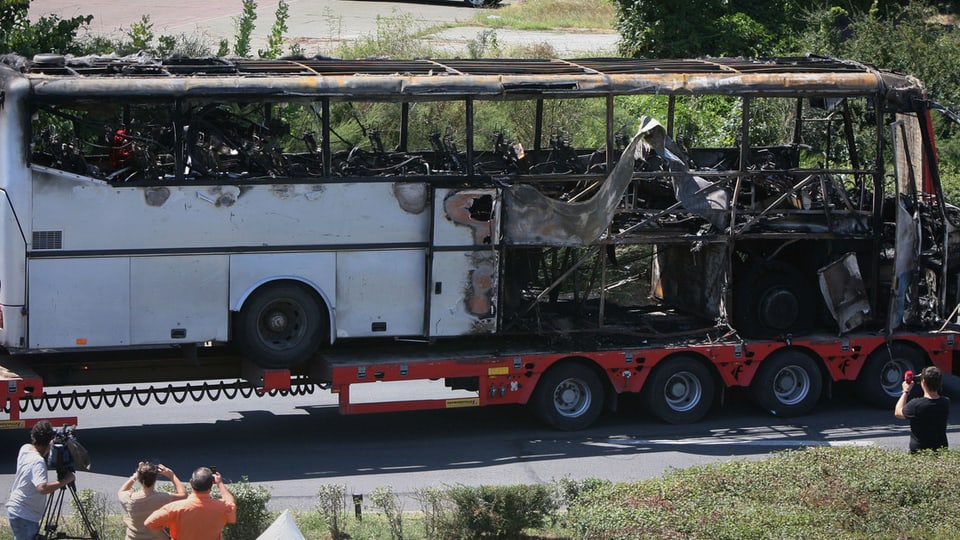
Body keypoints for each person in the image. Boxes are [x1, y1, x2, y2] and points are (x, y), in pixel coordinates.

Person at [4, 421, 76, 540]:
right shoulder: (37, 461)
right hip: (25, 515)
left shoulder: (25, 448)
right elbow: (42, 488)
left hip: (17, 511)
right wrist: (65, 480)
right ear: (49, 442)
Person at [144, 467, 236, 540]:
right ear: (212, 484)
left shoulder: (175, 508)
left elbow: (149, 523)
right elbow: (230, 503)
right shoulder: (222, 507)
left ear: (191, 482)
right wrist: (220, 484)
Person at [118, 462, 188, 539]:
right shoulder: (162, 498)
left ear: (140, 478)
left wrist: (134, 476)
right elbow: (183, 495)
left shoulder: (129, 499)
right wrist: (172, 476)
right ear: (155, 479)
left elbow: (121, 491)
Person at [895, 365, 950, 453]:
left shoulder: (916, 404)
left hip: (920, 451)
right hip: (940, 449)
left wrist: (905, 391)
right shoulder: (946, 402)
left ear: (923, 383)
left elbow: (898, 412)